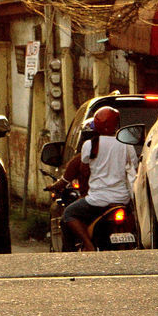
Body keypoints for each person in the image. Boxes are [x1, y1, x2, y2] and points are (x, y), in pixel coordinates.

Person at [53, 106, 137, 252]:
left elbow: (84, 172)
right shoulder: (126, 144)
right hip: (122, 200)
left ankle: (88, 244)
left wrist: (85, 193)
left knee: (68, 214)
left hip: (97, 201)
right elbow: (133, 167)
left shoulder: (89, 145)